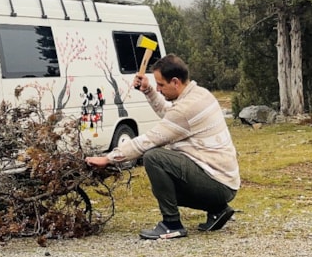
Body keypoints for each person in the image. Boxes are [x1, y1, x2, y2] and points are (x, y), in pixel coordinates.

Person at [86, 54, 239, 240]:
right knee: (163, 184)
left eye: (160, 84)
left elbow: (149, 140)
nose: (158, 89)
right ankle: (217, 209)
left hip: (218, 183)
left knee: (154, 157)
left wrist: (108, 158)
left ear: (175, 82)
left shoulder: (186, 109)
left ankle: (172, 224)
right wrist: (148, 90)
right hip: (224, 182)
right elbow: (170, 114)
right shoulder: (199, 94)